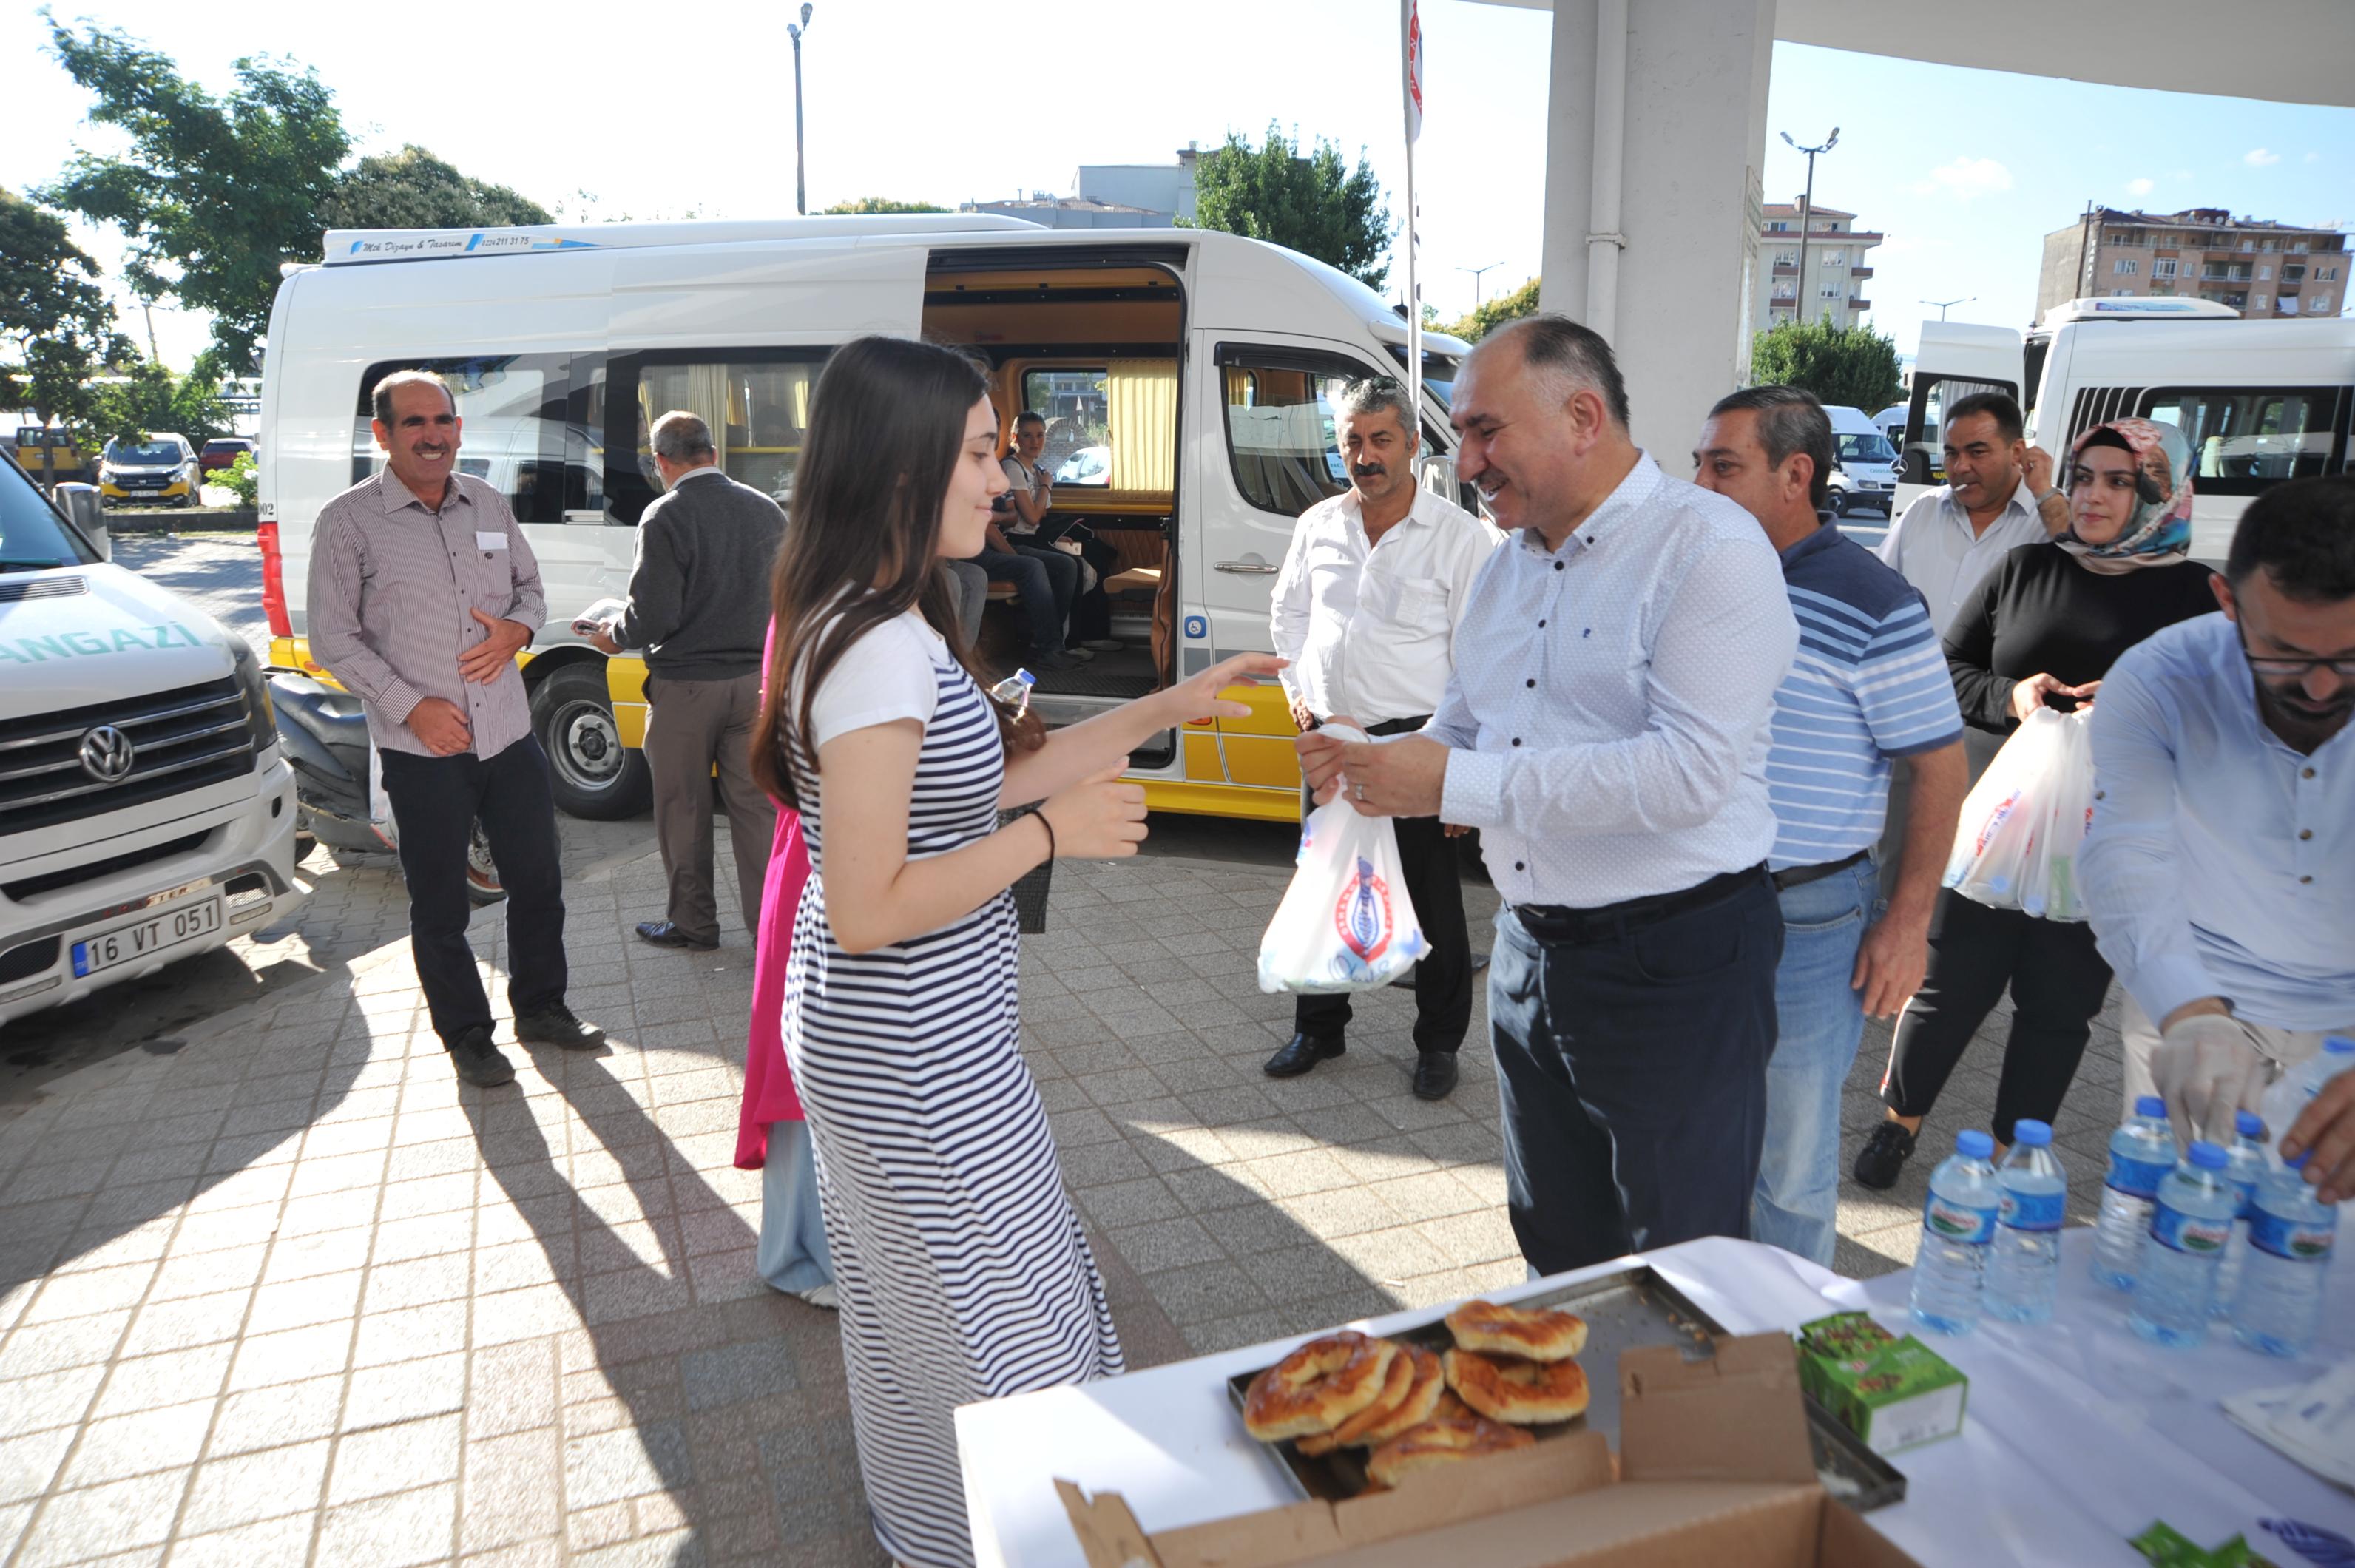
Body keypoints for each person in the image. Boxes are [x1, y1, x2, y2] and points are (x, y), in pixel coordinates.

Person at [753, 334, 1278, 1567]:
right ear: (900, 467)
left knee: (930, 1310)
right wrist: (1051, 837)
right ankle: (999, 1536)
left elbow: (987, 771)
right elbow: (874, 899)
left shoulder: (885, 617)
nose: (1004, 480)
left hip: (912, 1033)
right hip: (904, 1044)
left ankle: (950, 1526)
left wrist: (1166, 707)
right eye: (981, 453)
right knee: (990, 1321)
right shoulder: (877, 641)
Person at [1299, 315, 1798, 1277]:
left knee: (1680, 1260)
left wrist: (1450, 779)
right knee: (1558, 1244)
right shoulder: (1506, 568)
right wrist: (1373, 761)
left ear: (1581, 416)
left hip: (1675, 959)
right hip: (1533, 951)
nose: (1469, 459)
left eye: (1487, 431)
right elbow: (1468, 721)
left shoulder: (1709, 548)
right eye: (1460, 434)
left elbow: (1689, 772)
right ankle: (1575, 1419)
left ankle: (1674, 1426)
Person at [1854, 418, 2221, 1186]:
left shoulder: (2196, 598)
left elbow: (2216, 715)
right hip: (1996, 824)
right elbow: (1944, 668)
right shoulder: (2025, 568)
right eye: (2082, 476)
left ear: (2160, 492)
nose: (2089, 495)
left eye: (2118, 482)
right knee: (1947, 984)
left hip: (2106, 842)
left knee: (2059, 1006)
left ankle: (2005, 1148)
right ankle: (1900, 1122)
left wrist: (2133, 706)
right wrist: (2008, 694)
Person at [1692, 386, 1968, 1266]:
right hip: (1679, 910)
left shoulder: (1873, 600)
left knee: (1785, 1164)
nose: (1695, 481)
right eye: (1698, 460)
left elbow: (1936, 764)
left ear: (1795, 474)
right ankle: (1698, 1332)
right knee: (1683, 1143)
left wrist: (1905, 921)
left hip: (1804, 920)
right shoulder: (1690, 578)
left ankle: (1781, 1357)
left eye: (1721, 465)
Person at [307, 370, 604, 1087]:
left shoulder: (489, 503)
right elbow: (332, 639)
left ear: (458, 428)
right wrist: (411, 705)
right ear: (381, 434)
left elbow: (531, 590)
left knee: (538, 882)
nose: (433, 434)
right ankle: (467, 1033)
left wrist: (516, 630)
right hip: (424, 750)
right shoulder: (349, 521)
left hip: (508, 733)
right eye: (413, 422)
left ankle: (542, 1007)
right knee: (440, 903)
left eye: (442, 419)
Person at [2080, 473, 2355, 1149]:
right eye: (2287, 653)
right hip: (2199, 989)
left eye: (2350, 658)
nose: (2321, 688)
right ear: (2227, 600)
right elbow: (2127, 850)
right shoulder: (2158, 680)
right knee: (2171, 1225)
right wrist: (2190, 1009)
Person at [1266, 376, 1499, 1101]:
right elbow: (1288, 618)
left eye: (1379, 440)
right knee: (1325, 885)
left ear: (1414, 446)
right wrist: (1302, 701)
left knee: (1432, 902)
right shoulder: (1318, 524)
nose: (1365, 456)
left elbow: (1482, 657)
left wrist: (1461, 765)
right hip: (1329, 740)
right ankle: (1321, 1026)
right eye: (1352, 442)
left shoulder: (1459, 538)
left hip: (1418, 744)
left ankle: (1437, 1044)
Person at [592, 411, 783, 951]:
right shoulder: (765, 509)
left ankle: (694, 924)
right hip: (755, 683)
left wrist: (612, 635)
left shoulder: (664, 516)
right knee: (756, 810)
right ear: (713, 453)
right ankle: (773, 931)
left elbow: (651, 615)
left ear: (661, 462)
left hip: (685, 688)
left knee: (683, 809)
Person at [1872, 393, 2064, 902]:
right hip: (1909, 725)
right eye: (1952, 453)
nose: (1960, 467)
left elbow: (2090, 565)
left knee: (1973, 868)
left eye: (1977, 451)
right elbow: (1878, 599)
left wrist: (2048, 495)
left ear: (2019, 451)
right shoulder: (1922, 514)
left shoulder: (2046, 525)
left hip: (1993, 730)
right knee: (1894, 859)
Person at [734, 622, 833, 1310]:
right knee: (813, 1068)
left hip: (831, 860)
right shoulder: (834, 605)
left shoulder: (893, 591)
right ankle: (806, 1256)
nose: (991, 503)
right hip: (827, 866)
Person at [1004, 409, 1121, 652]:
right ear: (1015, 438)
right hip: (1015, 540)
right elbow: (1032, 515)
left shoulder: (1036, 470)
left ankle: (1078, 635)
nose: (1035, 442)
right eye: (1027, 436)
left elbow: (1041, 517)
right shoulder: (1012, 468)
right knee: (1070, 566)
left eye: (1040, 435)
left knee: (1091, 553)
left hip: (1035, 536)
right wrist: (1046, 486)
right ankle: (1058, 640)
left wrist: (1055, 536)